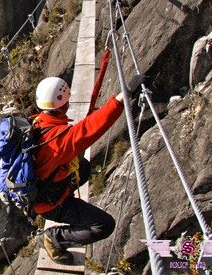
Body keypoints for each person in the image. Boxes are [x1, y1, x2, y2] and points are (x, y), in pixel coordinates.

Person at [32, 75, 144, 264]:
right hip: (51, 204)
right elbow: (90, 129)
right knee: (103, 225)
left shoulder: (37, 122)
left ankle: (64, 202)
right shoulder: (59, 140)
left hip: (40, 191)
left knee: (82, 166)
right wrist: (122, 97)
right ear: (63, 105)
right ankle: (54, 238)